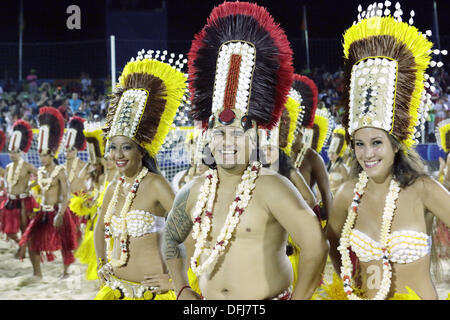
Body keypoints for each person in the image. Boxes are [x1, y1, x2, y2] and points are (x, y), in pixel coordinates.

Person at [163, 1, 328, 300]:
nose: (227, 141)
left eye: (238, 133)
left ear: (255, 138)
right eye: (219, 132)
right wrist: (181, 288)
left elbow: (316, 245)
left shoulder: (273, 186)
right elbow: (171, 238)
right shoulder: (193, 191)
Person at [325, 3, 450, 300]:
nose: (367, 153)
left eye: (377, 142)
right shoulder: (346, 194)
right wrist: (348, 283)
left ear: (395, 144)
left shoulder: (422, 188)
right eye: (359, 143)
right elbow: (332, 241)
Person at [93, 49, 188, 300]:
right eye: (113, 147)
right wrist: (101, 262)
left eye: (126, 147)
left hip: (154, 293)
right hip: (115, 289)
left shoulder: (156, 184)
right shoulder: (114, 187)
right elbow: (98, 228)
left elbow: (188, 232)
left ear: (141, 152)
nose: (118, 154)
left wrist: (175, 279)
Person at [19, 107, 78, 279]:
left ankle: (66, 272)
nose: (41, 158)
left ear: (51, 155)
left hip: (58, 211)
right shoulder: (40, 171)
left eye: (44, 155)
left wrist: (60, 213)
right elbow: (38, 188)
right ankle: (37, 274)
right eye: (40, 155)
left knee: (65, 243)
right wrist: (31, 190)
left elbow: (66, 194)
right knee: (31, 241)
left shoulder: (60, 170)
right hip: (43, 212)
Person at [290, 74, 332, 224]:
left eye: (295, 129)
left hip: (307, 225)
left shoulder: (311, 157)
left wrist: (327, 231)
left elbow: (327, 196)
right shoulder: (270, 155)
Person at [0, 120, 38, 259]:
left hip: (25, 200)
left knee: (24, 228)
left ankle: (23, 250)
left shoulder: (27, 166)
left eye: (15, 152)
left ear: (20, 153)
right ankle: (21, 245)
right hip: (11, 201)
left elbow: (41, 176)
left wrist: (31, 186)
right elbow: (6, 181)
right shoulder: (8, 167)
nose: (12, 155)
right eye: (10, 152)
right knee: (8, 230)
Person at [64, 116, 90, 246]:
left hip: (79, 200)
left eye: (71, 150)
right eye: (66, 150)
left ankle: (78, 250)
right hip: (66, 200)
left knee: (78, 228)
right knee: (68, 228)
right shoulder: (61, 167)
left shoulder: (82, 165)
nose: (68, 153)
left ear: (76, 151)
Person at [327, 125, 349, 196]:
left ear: (338, 154)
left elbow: (346, 184)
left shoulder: (341, 167)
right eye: (330, 153)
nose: (331, 156)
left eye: (333, 153)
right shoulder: (327, 166)